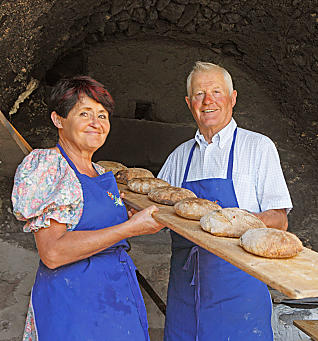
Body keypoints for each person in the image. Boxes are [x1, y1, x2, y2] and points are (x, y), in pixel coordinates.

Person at [11, 76, 164, 341]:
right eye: (85, 113)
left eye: (102, 115)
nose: (97, 123)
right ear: (58, 120)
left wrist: (130, 221)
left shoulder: (101, 173)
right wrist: (129, 228)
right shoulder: (49, 167)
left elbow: (95, 224)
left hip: (117, 298)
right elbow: (53, 252)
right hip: (74, 304)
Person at [158, 61, 293, 340]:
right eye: (199, 94)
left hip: (239, 293)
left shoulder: (258, 147)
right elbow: (154, 215)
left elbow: (279, 218)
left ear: (232, 98)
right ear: (188, 102)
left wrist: (236, 224)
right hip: (185, 291)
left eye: (216, 92)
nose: (208, 101)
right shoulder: (179, 157)